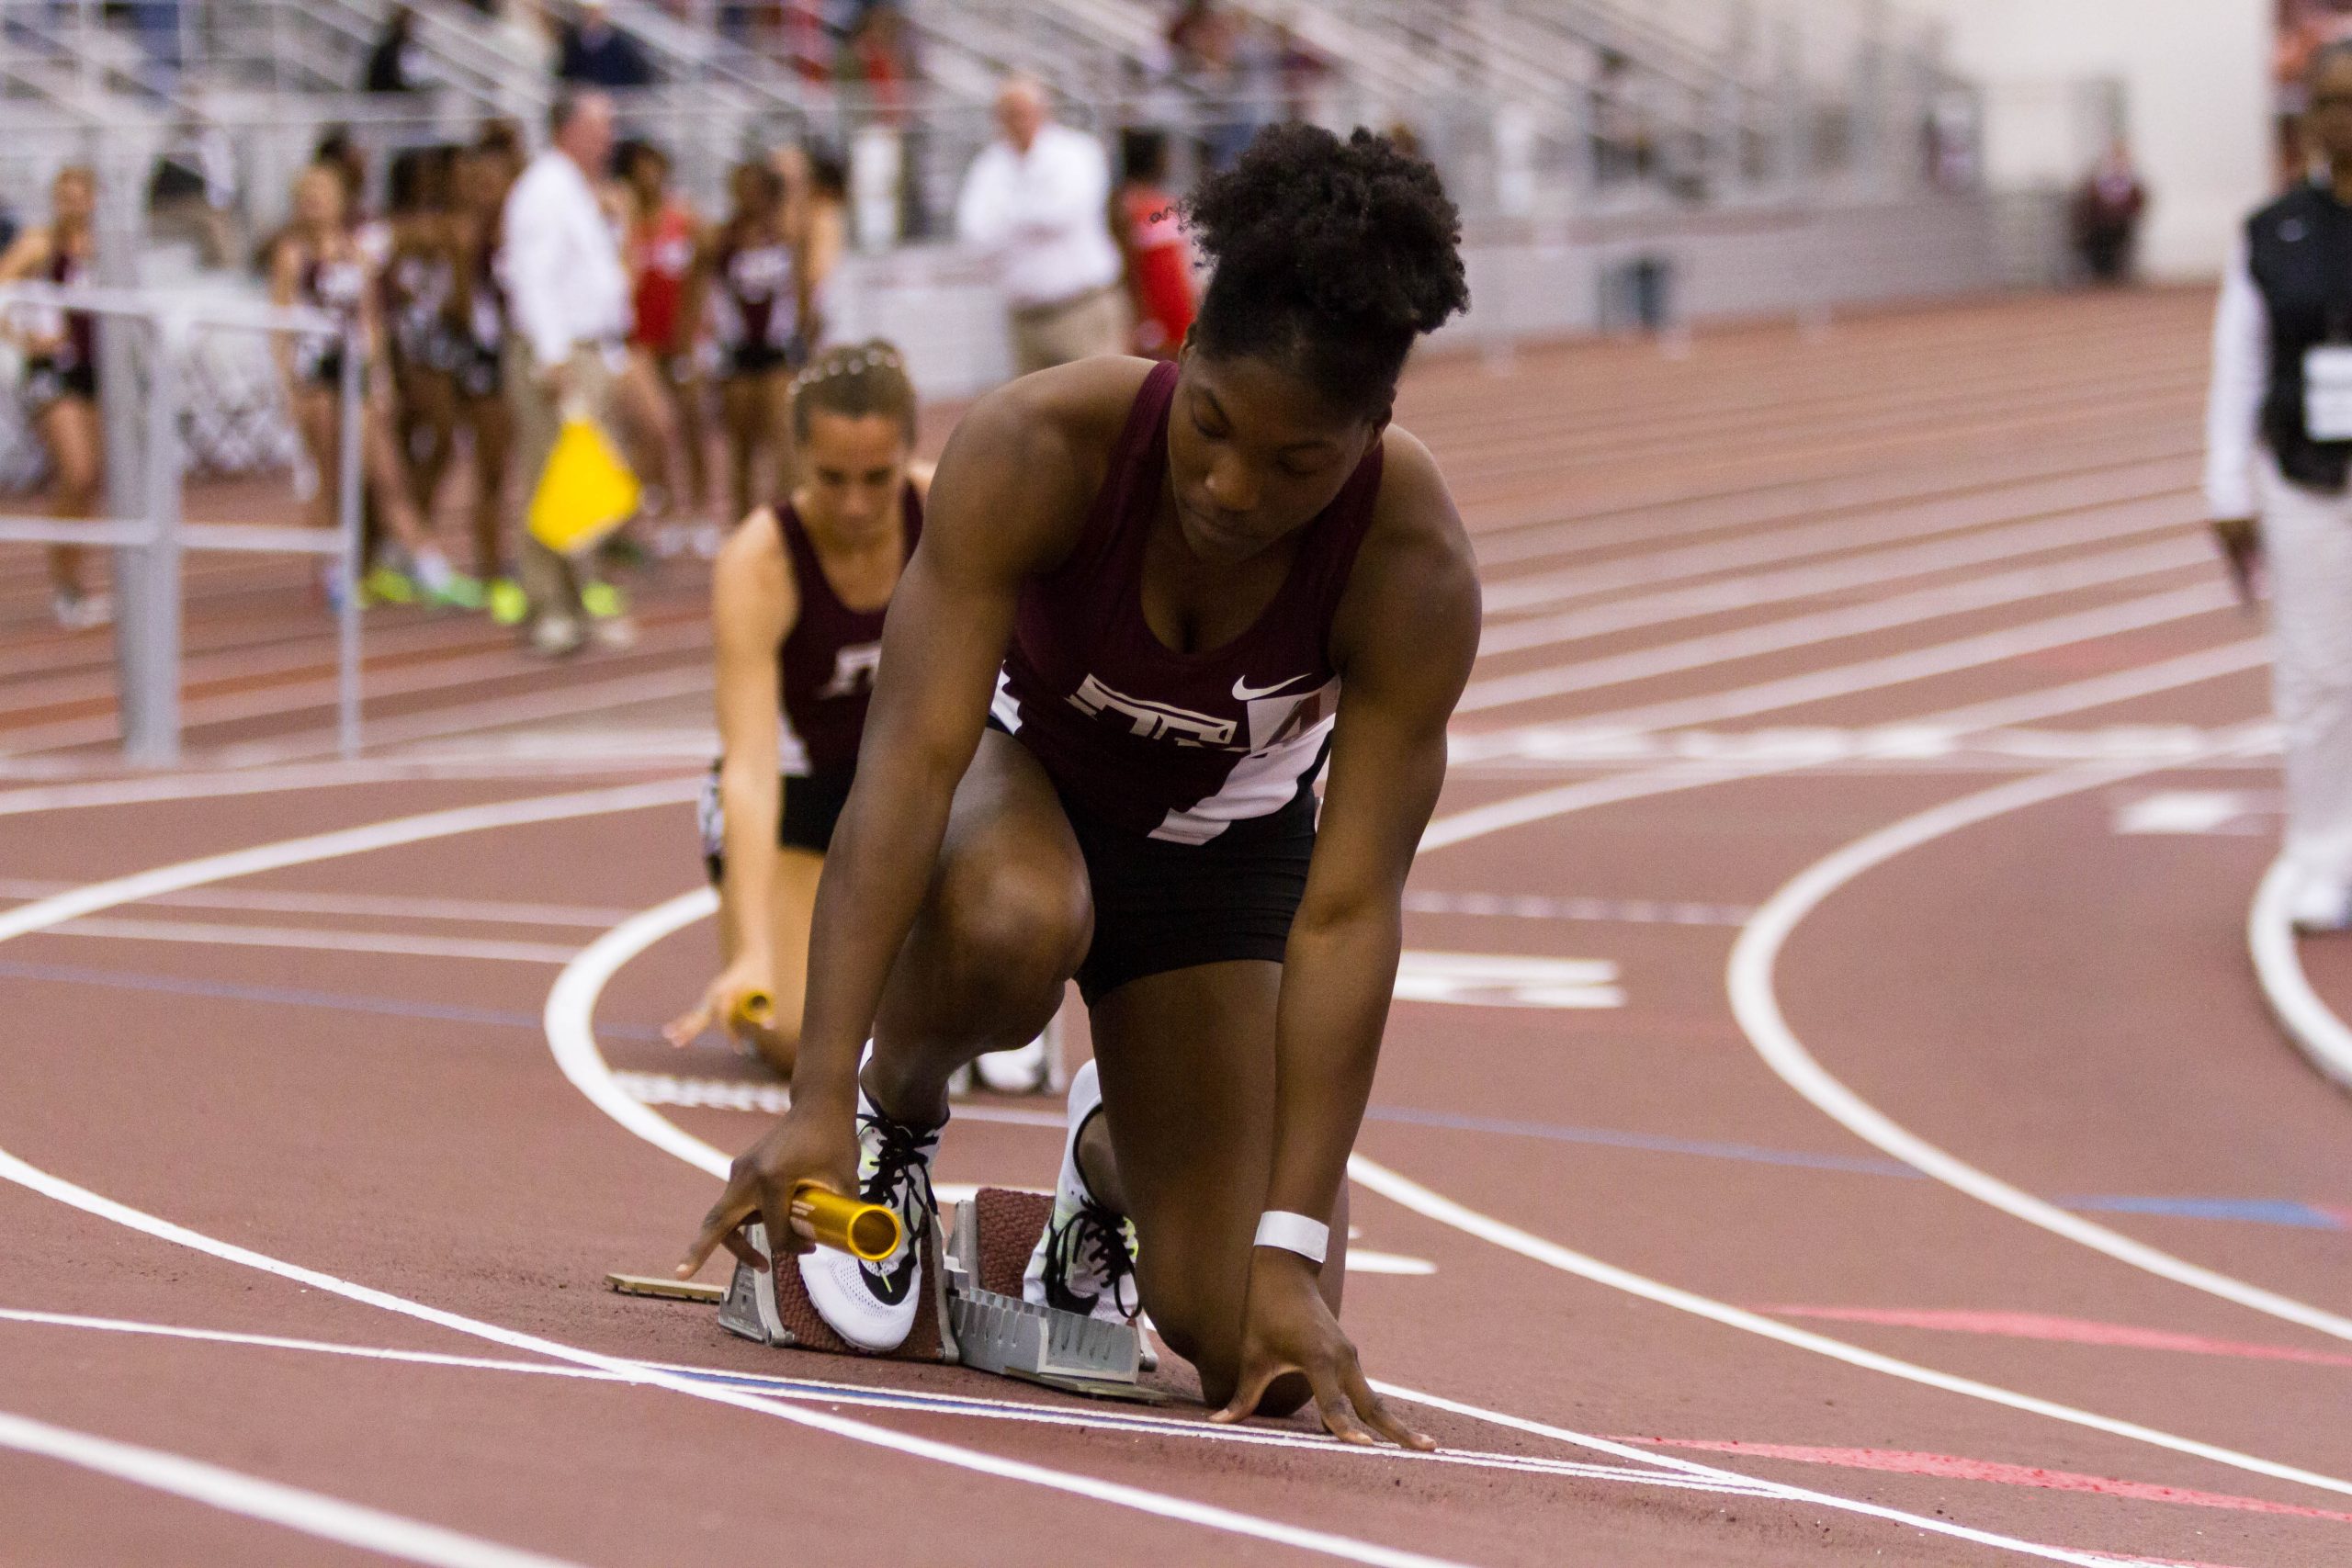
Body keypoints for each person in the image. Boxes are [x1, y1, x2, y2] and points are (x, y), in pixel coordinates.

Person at [678, 125, 1476, 1449]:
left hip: (1220, 858)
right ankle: (901, 1111)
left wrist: (1285, 1248)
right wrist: (820, 1091)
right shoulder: (1040, 446)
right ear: (1179, 355)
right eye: (1212, 427)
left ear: (1372, 434)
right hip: (1019, 782)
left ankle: (1110, 1153)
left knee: (1242, 1332)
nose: (1231, 487)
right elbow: (908, 762)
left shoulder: (1413, 571)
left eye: (1297, 467)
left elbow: (1346, 913)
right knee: (1013, 920)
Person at [664, 343, 927, 1075]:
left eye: (878, 477)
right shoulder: (759, 562)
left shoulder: (947, 516)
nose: (855, 505)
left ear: (909, 448)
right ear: (797, 458)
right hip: (801, 799)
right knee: (792, 1034)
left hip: (913, 790)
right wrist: (749, 949)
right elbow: (748, 768)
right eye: (830, 478)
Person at [2208, 39, 2352, 934]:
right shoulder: (2272, 231)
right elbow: (2237, 367)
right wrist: (2226, 490)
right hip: (2305, 482)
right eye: (2328, 102)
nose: (2343, 119)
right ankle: (2320, 855)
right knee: (2314, 677)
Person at [271, 164, 474, 609]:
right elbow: (280, 327)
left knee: (385, 473)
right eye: (308, 195)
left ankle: (426, 565)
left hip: (352, 372)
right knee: (329, 476)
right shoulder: (292, 255)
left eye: (324, 193)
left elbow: (370, 322)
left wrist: (379, 379)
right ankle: (333, 574)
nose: (316, 203)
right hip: (315, 376)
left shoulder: (355, 252)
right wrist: (288, 387)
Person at [501, 89, 639, 656]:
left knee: (578, 479)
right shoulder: (544, 190)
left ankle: (579, 598)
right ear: (569, 129)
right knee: (548, 474)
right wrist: (554, 356)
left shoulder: (576, 189)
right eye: (598, 126)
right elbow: (533, 278)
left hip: (584, 350)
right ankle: (548, 605)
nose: (608, 138)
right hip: (557, 354)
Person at [956, 76, 1130, 376]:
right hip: (1025, 319)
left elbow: (1062, 213)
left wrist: (1008, 219)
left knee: (1098, 408)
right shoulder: (989, 165)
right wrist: (1027, 218)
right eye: (1008, 114)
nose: (1016, 122)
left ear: (1042, 111)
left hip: (1081, 311)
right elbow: (974, 234)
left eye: (1022, 112)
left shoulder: (1077, 152)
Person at [0, 166, 107, 630]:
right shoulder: (38, 245)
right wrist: (21, 339)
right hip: (51, 372)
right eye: (62, 195)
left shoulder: (104, 250)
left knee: (87, 482)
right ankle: (63, 586)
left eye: (78, 195)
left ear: (94, 200)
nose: (71, 203)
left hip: (94, 373)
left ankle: (74, 584)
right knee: (77, 468)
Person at [693, 159, 815, 528]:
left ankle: (786, 526)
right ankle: (743, 527)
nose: (750, 197)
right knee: (742, 450)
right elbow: (696, 295)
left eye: (757, 188)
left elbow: (805, 293)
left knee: (785, 447)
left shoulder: (791, 235)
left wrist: (804, 343)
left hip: (779, 354)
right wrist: (697, 353)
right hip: (738, 357)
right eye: (742, 188)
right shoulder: (719, 239)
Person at [618, 138, 709, 537]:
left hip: (683, 336)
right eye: (640, 170)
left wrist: (693, 331)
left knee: (692, 421)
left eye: (654, 167)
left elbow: (702, 274)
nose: (648, 178)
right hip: (642, 339)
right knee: (655, 425)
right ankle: (667, 507)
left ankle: (701, 510)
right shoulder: (627, 224)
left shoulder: (684, 219)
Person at [1113, 128, 1195, 359]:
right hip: (1150, 310)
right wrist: (1141, 319)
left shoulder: (1161, 201)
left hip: (1175, 306)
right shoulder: (1126, 207)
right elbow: (1131, 269)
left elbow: (1178, 266)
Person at [2071, 140, 2147, 286]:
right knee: (2099, 253)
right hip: (2099, 228)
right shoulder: (2098, 181)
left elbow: (2138, 202)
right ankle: (2100, 279)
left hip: (2121, 227)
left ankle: (2117, 278)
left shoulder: (2131, 182)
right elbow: (2087, 203)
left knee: (2119, 252)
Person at [556, 0, 654, 89]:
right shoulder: (573, 41)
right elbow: (567, 72)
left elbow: (636, 75)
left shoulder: (620, 44)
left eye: (594, 12)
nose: (590, 16)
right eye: (587, 12)